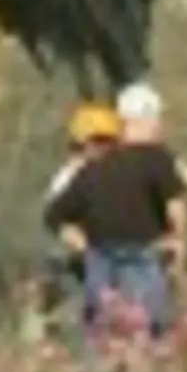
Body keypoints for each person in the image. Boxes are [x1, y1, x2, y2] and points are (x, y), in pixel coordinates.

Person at [54, 81, 187, 345]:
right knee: (150, 327)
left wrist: (83, 246)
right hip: (130, 255)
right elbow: (173, 204)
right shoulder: (154, 157)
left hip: (97, 257)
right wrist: (179, 242)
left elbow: (56, 215)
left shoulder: (91, 169)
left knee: (101, 331)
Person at [34, 102, 121, 338]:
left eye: (111, 142)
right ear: (82, 143)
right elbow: (57, 222)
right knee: (67, 329)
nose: (106, 148)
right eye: (99, 141)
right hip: (69, 265)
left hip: (97, 264)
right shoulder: (69, 178)